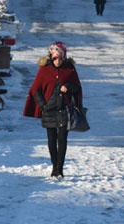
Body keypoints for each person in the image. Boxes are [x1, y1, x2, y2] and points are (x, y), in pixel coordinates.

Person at [23, 42, 83, 180]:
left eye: (60, 58)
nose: (57, 61)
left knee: (62, 139)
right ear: (50, 56)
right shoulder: (44, 70)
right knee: (51, 140)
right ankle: (54, 166)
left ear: (64, 57)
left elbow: (77, 88)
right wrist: (43, 105)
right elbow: (35, 89)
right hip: (49, 110)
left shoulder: (70, 69)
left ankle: (59, 170)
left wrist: (68, 87)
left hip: (64, 109)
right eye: (54, 58)